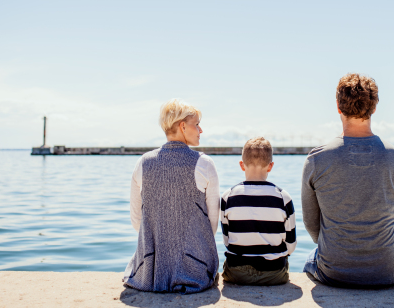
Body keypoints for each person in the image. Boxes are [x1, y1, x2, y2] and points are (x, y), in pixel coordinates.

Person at [302, 73, 394, 288]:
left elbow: (311, 225)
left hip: (334, 271)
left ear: (338, 106)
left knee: (310, 257)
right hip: (388, 271)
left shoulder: (317, 160)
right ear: (374, 108)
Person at [123, 99, 220, 294]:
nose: (201, 130)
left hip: (149, 270)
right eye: (197, 124)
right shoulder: (204, 164)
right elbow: (212, 224)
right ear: (183, 126)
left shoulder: (143, 163)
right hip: (195, 268)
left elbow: (137, 222)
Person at [220, 137, 296, 286]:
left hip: (236, 273)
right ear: (270, 166)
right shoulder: (283, 197)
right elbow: (291, 246)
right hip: (274, 274)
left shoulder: (227, 196)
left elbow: (227, 241)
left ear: (242, 165)